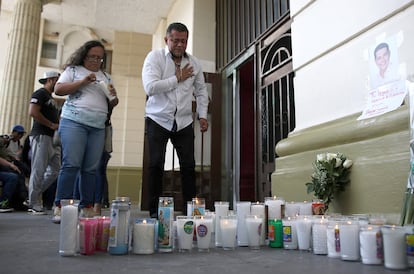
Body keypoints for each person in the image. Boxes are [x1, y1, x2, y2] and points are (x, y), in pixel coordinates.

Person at [142, 22, 209, 218]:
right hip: (158, 118)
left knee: (188, 166)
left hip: (184, 121)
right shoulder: (154, 58)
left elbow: (202, 91)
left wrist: (202, 115)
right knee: (156, 164)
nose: (180, 45)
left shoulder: (194, 63)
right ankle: (155, 212)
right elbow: (150, 87)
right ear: (166, 40)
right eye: (175, 40)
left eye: (183, 41)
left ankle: (191, 211)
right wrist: (177, 78)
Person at [53, 40, 118, 223]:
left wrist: (113, 96)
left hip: (97, 125)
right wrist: (82, 81)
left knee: (90, 169)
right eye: (92, 57)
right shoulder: (73, 71)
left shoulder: (105, 76)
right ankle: (61, 206)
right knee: (71, 164)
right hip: (74, 121)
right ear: (84, 55)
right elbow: (58, 89)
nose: (96, 61)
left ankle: (87, 207)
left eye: (100, 58)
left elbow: (113, 102)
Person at [27, 71, 61, 215]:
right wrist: (50, 124)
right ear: (51, 80)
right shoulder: (40, 94)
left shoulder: (50, 97)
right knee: (39, 169)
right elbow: (33, 112)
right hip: (41, 135)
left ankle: (31, 197)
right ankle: (33, 202)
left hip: (51, 137)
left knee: (55, 169)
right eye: (57, 81)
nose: (59, 84)